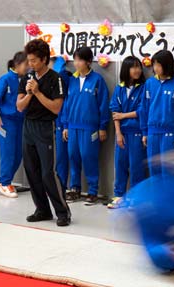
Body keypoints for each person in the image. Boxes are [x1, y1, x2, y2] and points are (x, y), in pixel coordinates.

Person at [16, 39, 71, 227]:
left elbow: (56, 108)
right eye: (29, 60)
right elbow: (19, 106)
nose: (30, 64)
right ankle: (42, 210)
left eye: (34, 60)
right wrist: (30, 93)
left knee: (49, 173)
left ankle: (63, 212)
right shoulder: (27, 78)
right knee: (32, 171)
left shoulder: (56, 79)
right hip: (28, 127)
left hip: (46, 128)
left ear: (44, 59)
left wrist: (38, 93)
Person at [62, 47, 110, 205]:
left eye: (79, 60)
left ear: (88, 62)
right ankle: (75, 189)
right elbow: (67, 105)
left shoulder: (97, 80)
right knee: (73, 157)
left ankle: (92, 191)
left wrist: (102, 127)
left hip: (90, 128)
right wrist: (66, 126)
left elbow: (103, 105)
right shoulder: (72, 80)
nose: (76, 63)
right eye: (74, 59)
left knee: (89, 158)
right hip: (73, 127)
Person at [140, 50, 174, 176]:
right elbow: (144, 108)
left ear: (167, 65)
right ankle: (156, 196)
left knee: (170, 169)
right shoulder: (150, 83)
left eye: (158, 65)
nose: (155, 68)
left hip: (171, 133)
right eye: (154, 64)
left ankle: (169, 196)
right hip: (152, 132)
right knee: (154, 168)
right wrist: (145, 131)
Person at [108, 56, 147, 209]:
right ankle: (119, 196)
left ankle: (137, 199)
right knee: (120, 165)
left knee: (137, 166)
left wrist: (124, 115)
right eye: (133, 67)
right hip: (122, 134)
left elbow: (142, 111)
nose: (137, 70)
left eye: (139, 67)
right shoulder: (119, 88)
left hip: (137, 132)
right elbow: (114, 111)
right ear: (126, 69)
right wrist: (118, 133)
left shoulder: (144, 87)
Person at [0, 51, 28, 198]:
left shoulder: (24, 79)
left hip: (19, 122)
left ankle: (1, 181)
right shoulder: (5, 79)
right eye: (26, 64)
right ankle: (5, 183)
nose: (28, 67)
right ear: (17, 64)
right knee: (8, 153)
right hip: (6, 121)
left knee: (18, 155)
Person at [49, 56, 72, 193]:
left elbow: (59, 73)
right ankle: (59, 187)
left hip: (67, 124)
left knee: (69, 158)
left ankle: (65, 187)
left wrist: (59, 61)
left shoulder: (63, 78)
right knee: (60, 159)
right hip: (57, 124)